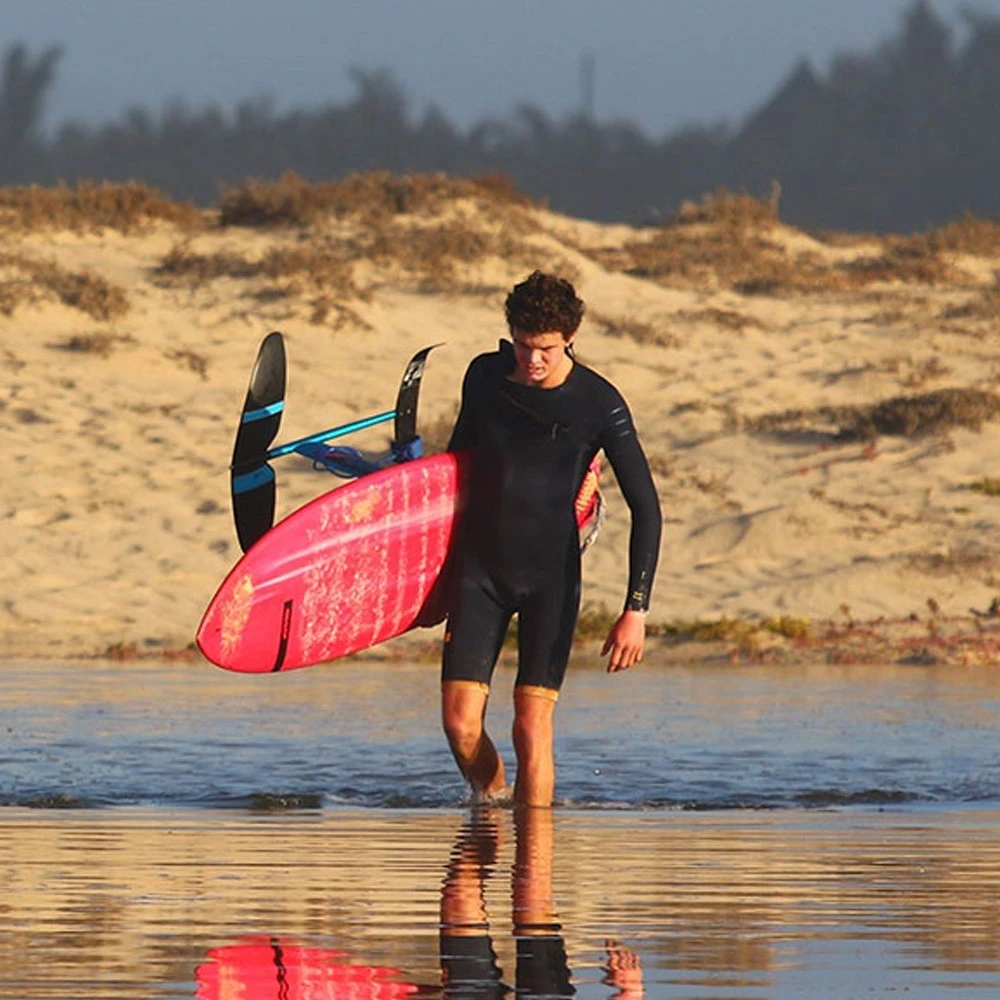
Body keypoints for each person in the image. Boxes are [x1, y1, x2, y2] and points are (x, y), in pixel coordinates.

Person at [441, 271, 662, 808]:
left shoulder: (597, 402)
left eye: (544, 349)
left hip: (550, 578)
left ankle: (534, 872)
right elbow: (452, 469)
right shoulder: (484, 378)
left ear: (569, 339)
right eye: (521, 345)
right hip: (479, 572)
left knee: (529, 727)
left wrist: (636, 609)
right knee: (459, 724)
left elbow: (647, 508)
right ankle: (493, 808)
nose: (532, 360)